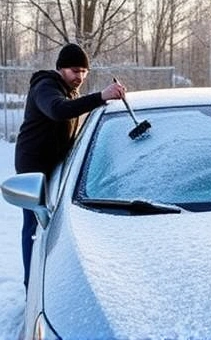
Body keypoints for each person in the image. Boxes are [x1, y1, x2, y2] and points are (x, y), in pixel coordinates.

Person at [14, 43, 126, 290]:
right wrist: (100, 96)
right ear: (61, 69)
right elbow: (57, 110)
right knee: (35, 225)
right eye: (75, 71)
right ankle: (30, 286)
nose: (80, 77)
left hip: (55, 164)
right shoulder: (46, 87)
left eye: (84, 72)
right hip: (33, 167)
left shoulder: (69, 91)